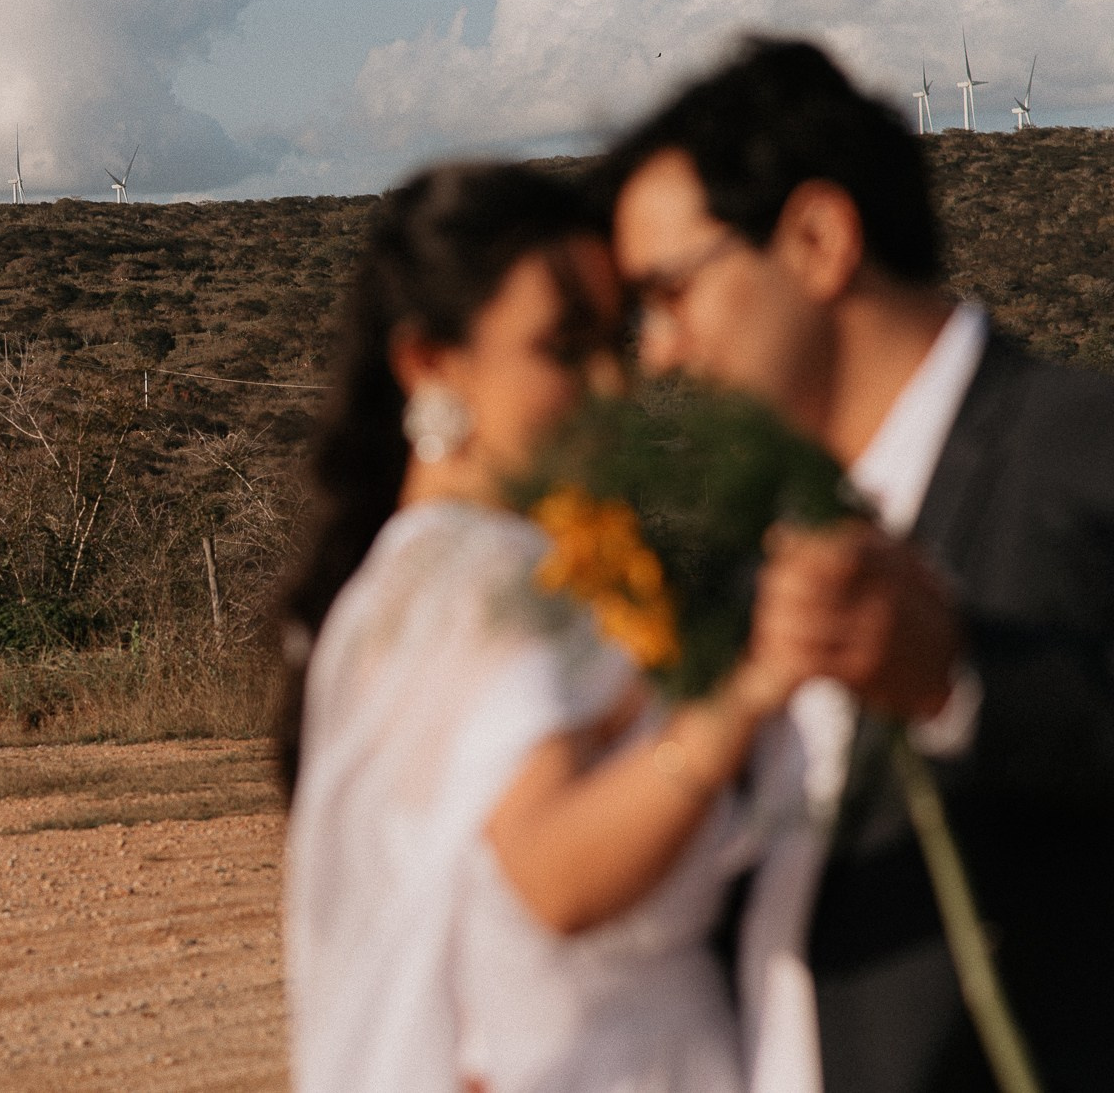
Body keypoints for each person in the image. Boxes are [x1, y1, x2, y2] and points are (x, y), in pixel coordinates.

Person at [602, 37, 1114, 1093]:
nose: (653, 351)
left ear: (816, 239)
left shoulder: (1081, 448)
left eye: (671, 292)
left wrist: (959, 680)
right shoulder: (748, 551)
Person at [279, 162, 807, 1093]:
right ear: (429, 362)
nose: (612, 383)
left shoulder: (408, 582)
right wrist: (746, 688)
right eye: (564, 347)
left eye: (618, 339)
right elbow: (551, 876)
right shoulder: (489, 583)